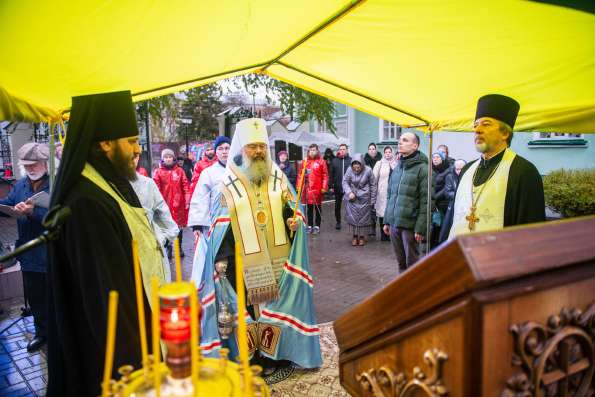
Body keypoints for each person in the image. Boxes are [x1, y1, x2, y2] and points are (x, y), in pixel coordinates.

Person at [47, 91, 166, 396]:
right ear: (105, 143)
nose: (137, 149)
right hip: (118, 353)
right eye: (131, 141)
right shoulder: (86, 200)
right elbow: (107, 297)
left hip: (141, 321)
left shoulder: (108, 182)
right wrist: (138, 370)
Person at [192, 118, 321, 376]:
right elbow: (219, 226)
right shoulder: (227, 183)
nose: (259, 151)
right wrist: (225, 260)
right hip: (243, 262)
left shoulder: (279, 177)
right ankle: (252, 358)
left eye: (262, 146)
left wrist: (296, 222)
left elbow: (293, 210)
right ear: (242, 149)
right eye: (253, 147)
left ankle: (278, 355)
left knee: (276, 308)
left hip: (277, 259)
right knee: (250, 312)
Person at [449, 94, 545, 238]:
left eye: (486, 124)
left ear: (505, 133)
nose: (477, 130)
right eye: (475, 125)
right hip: (460, 256)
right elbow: (452, 218)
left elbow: (531, 232)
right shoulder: (467, 169)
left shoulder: (524, 172)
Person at [0, 143, 50, 352]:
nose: (31, 168)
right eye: (26, 165)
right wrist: (7, 208)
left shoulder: (57, 184)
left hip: (51, 254)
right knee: (36, 299)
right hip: (28, 254)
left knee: (56, 298)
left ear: (46, 163)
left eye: (35, 164)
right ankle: (42, 334)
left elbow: (62, 217)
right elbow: (9, 204)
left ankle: (60, 333)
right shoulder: (20, 185)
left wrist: (33, 213)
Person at [383, 132, 428, 272]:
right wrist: (387, 220)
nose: (400, 142)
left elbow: (426, 201)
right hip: (395, 224)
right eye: (400, 140)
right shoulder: (398, 168)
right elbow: (390, 196)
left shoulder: (423, 169)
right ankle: (403, 292)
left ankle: (415, 292)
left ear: (415, 145)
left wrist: (420, 228)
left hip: (410, 226)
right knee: (401, 263)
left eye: (405, 140)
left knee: (412, 266)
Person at [130, 153, 179, 282]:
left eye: (135, 156)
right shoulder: (110, 185)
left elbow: (162, 213)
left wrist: (163, 237)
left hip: (151, 247)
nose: (131, 159)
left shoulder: (147, 183)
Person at [188, 136, 230, 235]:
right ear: (216, 152)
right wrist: (197, 223)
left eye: (227, 148)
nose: (224, 152)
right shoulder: (208, 173)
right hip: (218, 221)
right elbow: (200, 197)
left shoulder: (241, 170)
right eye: (220, 149)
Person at [153, 148, 190, 260]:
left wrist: (187, 200)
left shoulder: (180, 171)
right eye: (166, 157)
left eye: (170, 157)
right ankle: (168, 247)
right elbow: (155, 188)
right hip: (165, 205)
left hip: (178, 205)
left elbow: (185, 186)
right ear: (163, 159)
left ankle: (179, 247)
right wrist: (157, 204)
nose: (168, 159)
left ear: (173, 158)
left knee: (179, 227)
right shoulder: (158, 172)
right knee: (166, 226)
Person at [343, 154, 376, 246]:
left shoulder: (368, 170)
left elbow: (373, 184)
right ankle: (354, 236)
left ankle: (362, 237)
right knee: (353, 218)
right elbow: (345, 181)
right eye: (355, 166)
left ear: (362, 164)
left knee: (363, 219)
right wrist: (349, 192)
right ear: (352, 165)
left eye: (358, 166)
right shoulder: (349, 170)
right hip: (352, 198)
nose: (356, 168)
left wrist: (373, 200)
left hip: (364, 198)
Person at [298, 144, 328, 234]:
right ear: (308, 151)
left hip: (318, 190)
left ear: (317, 151)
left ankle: (317, 226)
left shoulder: (321, 162)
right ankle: (310, 225)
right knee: (309, 209)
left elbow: (325, 175)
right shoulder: (305, 162)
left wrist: (324, 187)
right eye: (310, 150)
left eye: (314, 150)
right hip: (307, 189)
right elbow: (300, 175)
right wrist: (299, 186)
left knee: (318, 208)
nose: (312, 151)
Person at [372, 146, 396, 241]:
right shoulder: (380, 163)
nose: (388, 154)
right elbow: (374, 178)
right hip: (382, 192)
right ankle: (383, 235)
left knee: (391, 213)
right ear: (383, 153)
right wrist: (375, 191)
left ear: (392, 153)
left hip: (393, 192)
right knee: (382, 213)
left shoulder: (396, 163)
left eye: (389, 152)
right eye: (386, 152)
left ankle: (392, 234)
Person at [439, 159, 466, 243]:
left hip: (466, 207)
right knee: (448, 231)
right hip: (453, 207)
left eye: (461, 168)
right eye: (457, 169)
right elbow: (447, 193)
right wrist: (461, 194)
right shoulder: (450, 177)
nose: (459, 171)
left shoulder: (469, 176)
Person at [430, 151, 451, 248]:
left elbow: (445, 188)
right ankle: (432, 246)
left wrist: (434, 197)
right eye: (434, 157)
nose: (435, 159)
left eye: (437, 157)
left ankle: (440, 246)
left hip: (442, 203)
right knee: (434, 226)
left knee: (440, 227)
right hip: (433, 203)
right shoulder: (431, 170)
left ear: (442, 159)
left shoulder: (447, 170)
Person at [329, 143, 352, 230]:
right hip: (338, 186)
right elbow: (331, 174)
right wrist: (330, 185)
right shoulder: (334, 161)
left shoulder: (351, 160)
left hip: (349, 187)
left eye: (344, 149)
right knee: (337, 205)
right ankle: (338, 222)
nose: (342, 151)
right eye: (341, 149)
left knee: (350, 205)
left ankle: (351, 221)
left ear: (347, 150)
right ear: (339, 151)